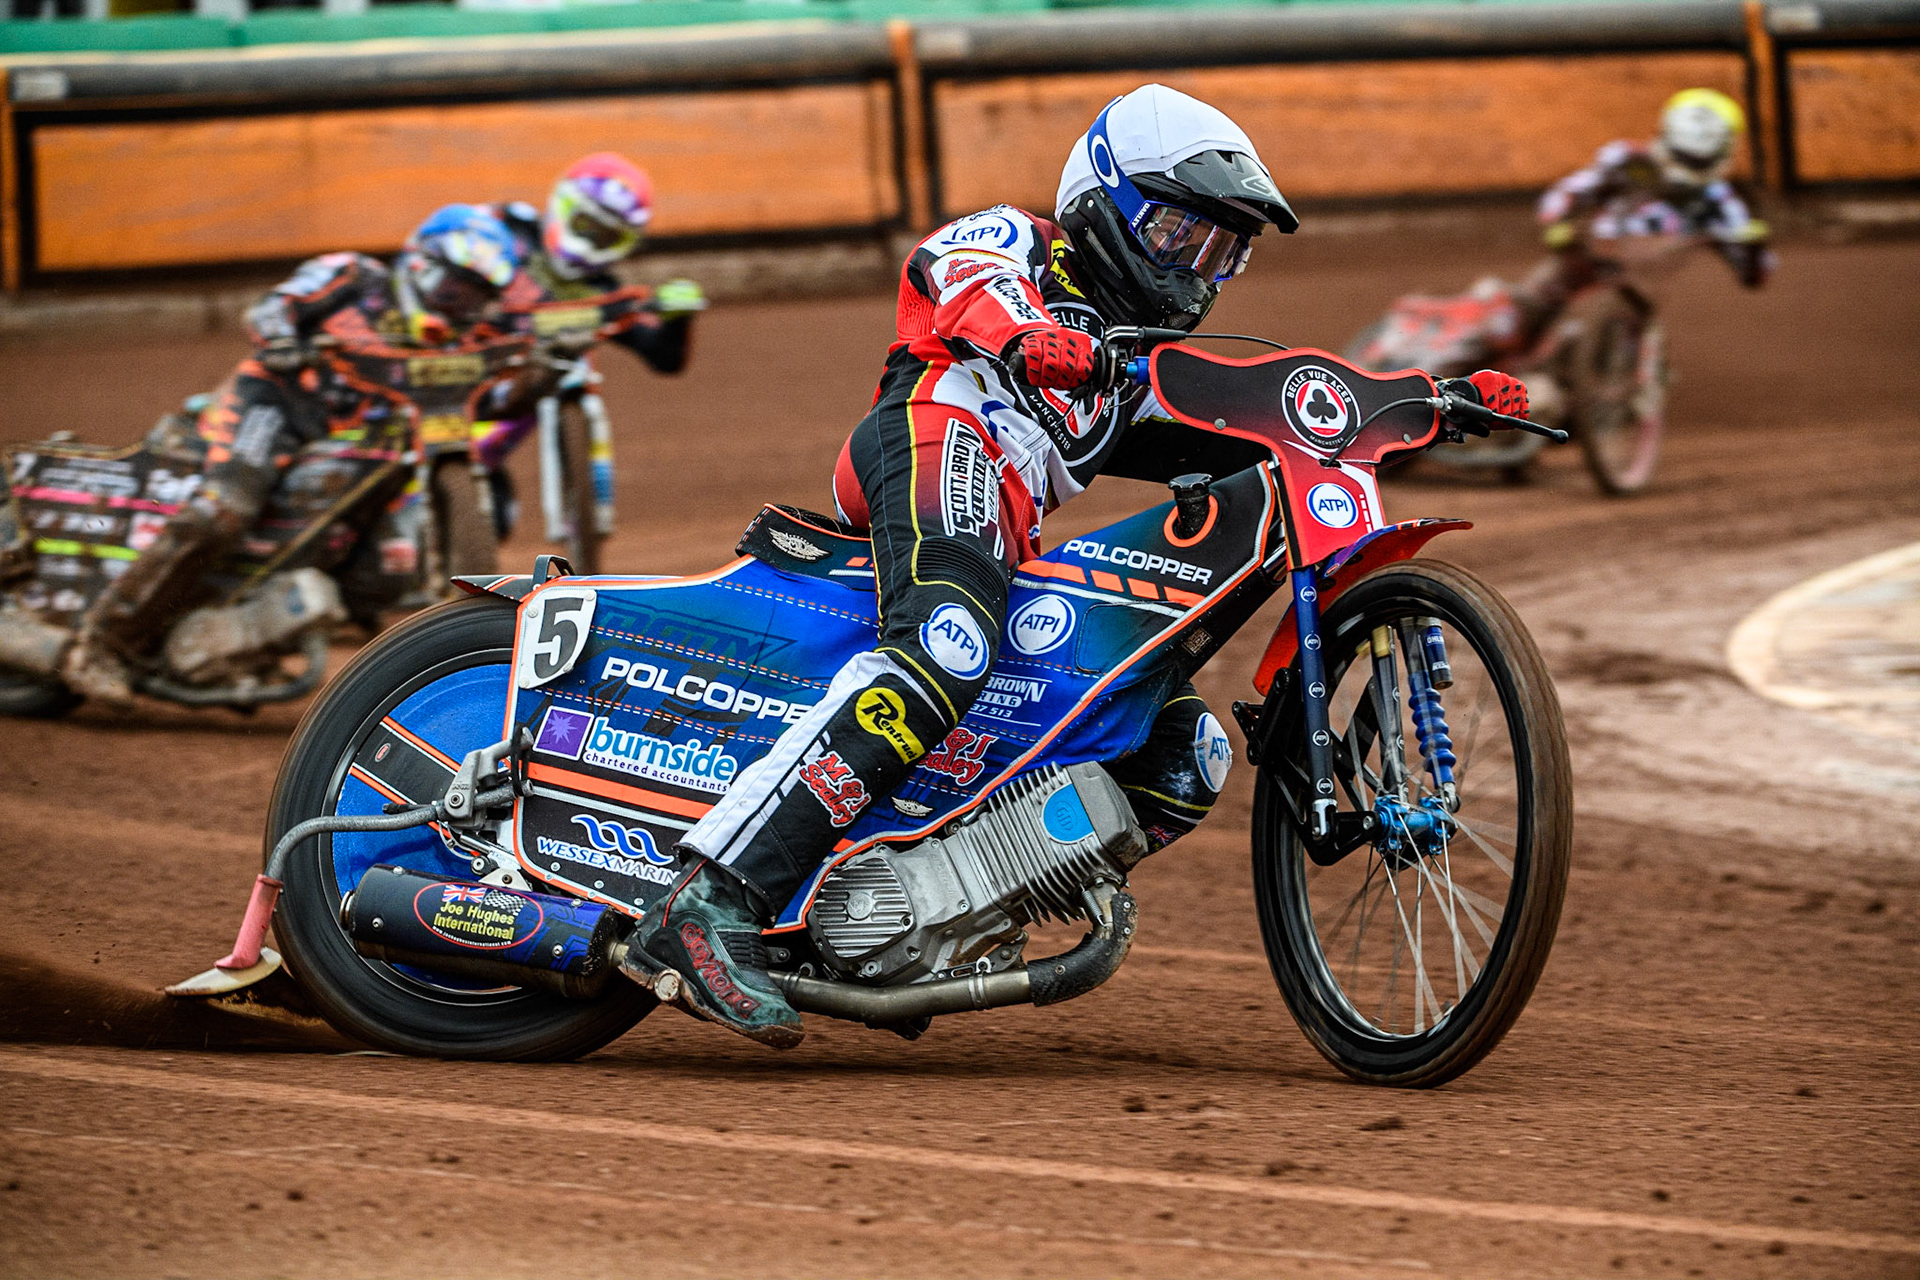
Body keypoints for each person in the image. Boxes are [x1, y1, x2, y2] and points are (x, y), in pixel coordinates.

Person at [621, 84, 1527, 1048]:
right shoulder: (1018, 242)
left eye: (1224, 250)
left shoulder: (1129, 367)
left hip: (1008, 524)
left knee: (1184, 754)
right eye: (1183, 235)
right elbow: (958, 275)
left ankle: (919, 908)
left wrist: (1430, 400)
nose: (1200, 268)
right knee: (947, 643)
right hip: (936, 429)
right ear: (1105, 203)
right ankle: (709, 899)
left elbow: (1254, 427)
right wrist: (1028, 332)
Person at [59, 204, 522, 705]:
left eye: (480, 298)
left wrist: (537, 372)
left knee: (388, 569)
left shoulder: (462, 339)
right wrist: (281, 340)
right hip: (278, 406)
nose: (464, 306)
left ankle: (257, 638)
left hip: (368, 447)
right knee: (222, 512)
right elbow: (272, 306)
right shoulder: (354, 274)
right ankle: (102, 642)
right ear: (419, 263)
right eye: (457, 289)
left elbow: (498, 391)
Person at [470, 153, 706, 529]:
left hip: (499, 422)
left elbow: (663, 357)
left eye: (606, 236)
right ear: (564, 208)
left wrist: (678, 318)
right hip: (451, 376)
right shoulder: (507, 227)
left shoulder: (603, 293)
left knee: (494, 519)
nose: (591, 242)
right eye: (585, 226)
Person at [1511, 87, 1774, 338]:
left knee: (1639, 342)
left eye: (1696, 160)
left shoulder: (1720, 201)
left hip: (1639, 288)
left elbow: (1757, 274)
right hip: (1585, 261)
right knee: (1518, 313)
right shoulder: (1627, 160)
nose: (1685, 170)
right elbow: (1568, 192)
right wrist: (1558, 223)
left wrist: (1753, 247)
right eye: (1683, 156)